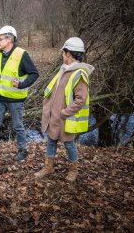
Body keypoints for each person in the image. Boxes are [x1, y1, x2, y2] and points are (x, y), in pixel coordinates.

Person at [35, 37, 94, 182]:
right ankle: (48, 167)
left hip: (65, 119)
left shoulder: (79, 73)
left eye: (63, 52)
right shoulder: (64, 70)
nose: (62, 55)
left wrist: (65, 113)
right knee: (51, 141)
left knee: (69, 144)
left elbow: (81, 99)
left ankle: (74, 170)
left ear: (68, 54)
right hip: (54, 117)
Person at [0, 26, 39, 161]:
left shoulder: (21, 54)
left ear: (9, 39)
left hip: (15, 99)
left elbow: (34, 74)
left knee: (18, 126)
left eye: (0, 39)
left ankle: (23, 151)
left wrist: (21, 84)